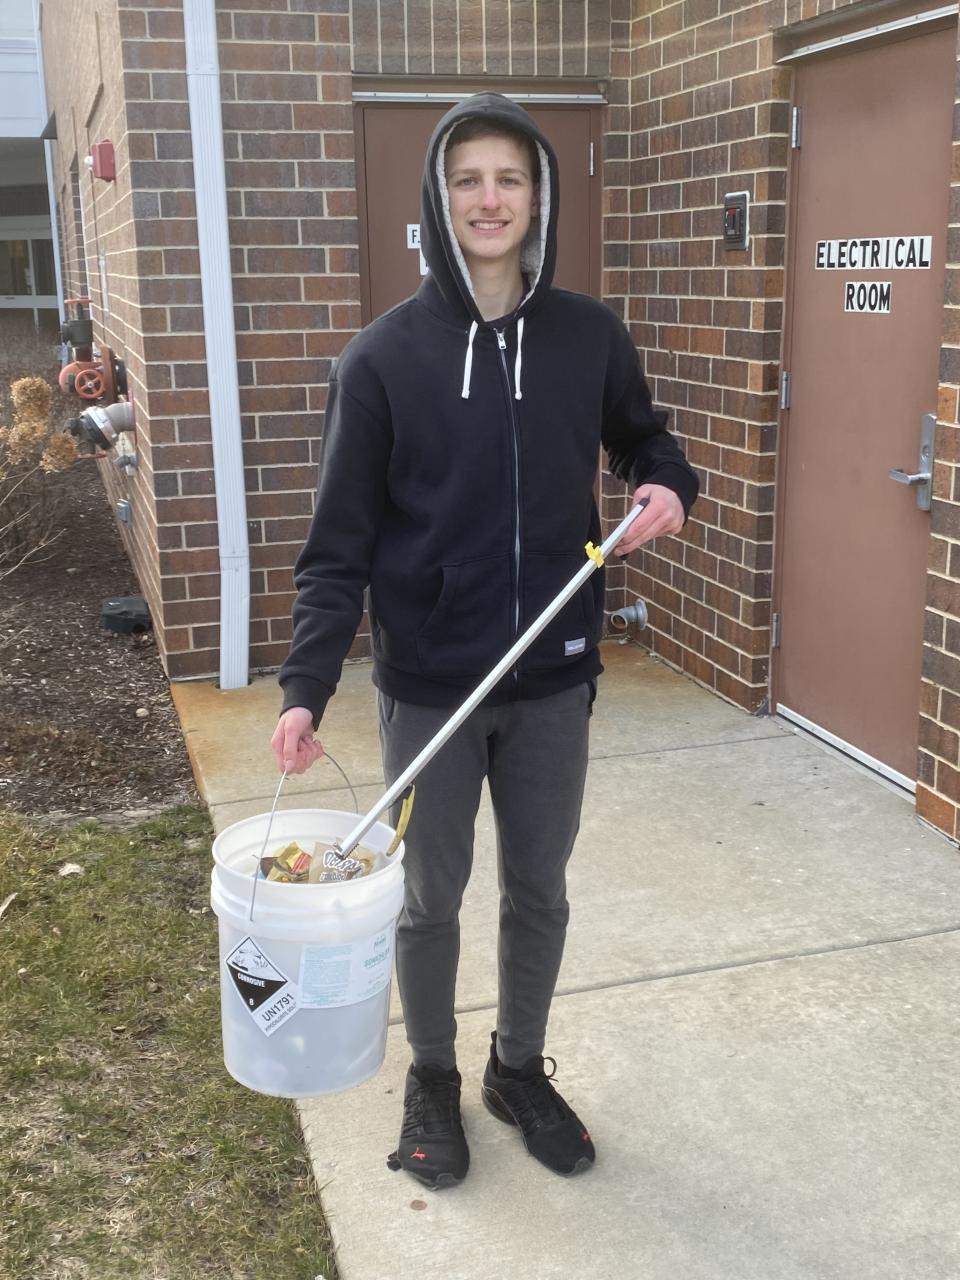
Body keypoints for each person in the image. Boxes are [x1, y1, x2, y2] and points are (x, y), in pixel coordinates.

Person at [271, 93, 699, 1189]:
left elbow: (646, 439)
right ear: (439, 198)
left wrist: (666, 484)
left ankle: (516, 1067)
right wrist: (307, 685)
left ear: (538, 196)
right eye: (469, 179)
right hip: (431, 687)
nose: (490, 198)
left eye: (511, 177)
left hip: (554, 677)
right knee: (429, 898)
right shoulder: (380, 361)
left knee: (539, 889)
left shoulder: (589, 336)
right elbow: (337, 548)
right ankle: (432, 1073)